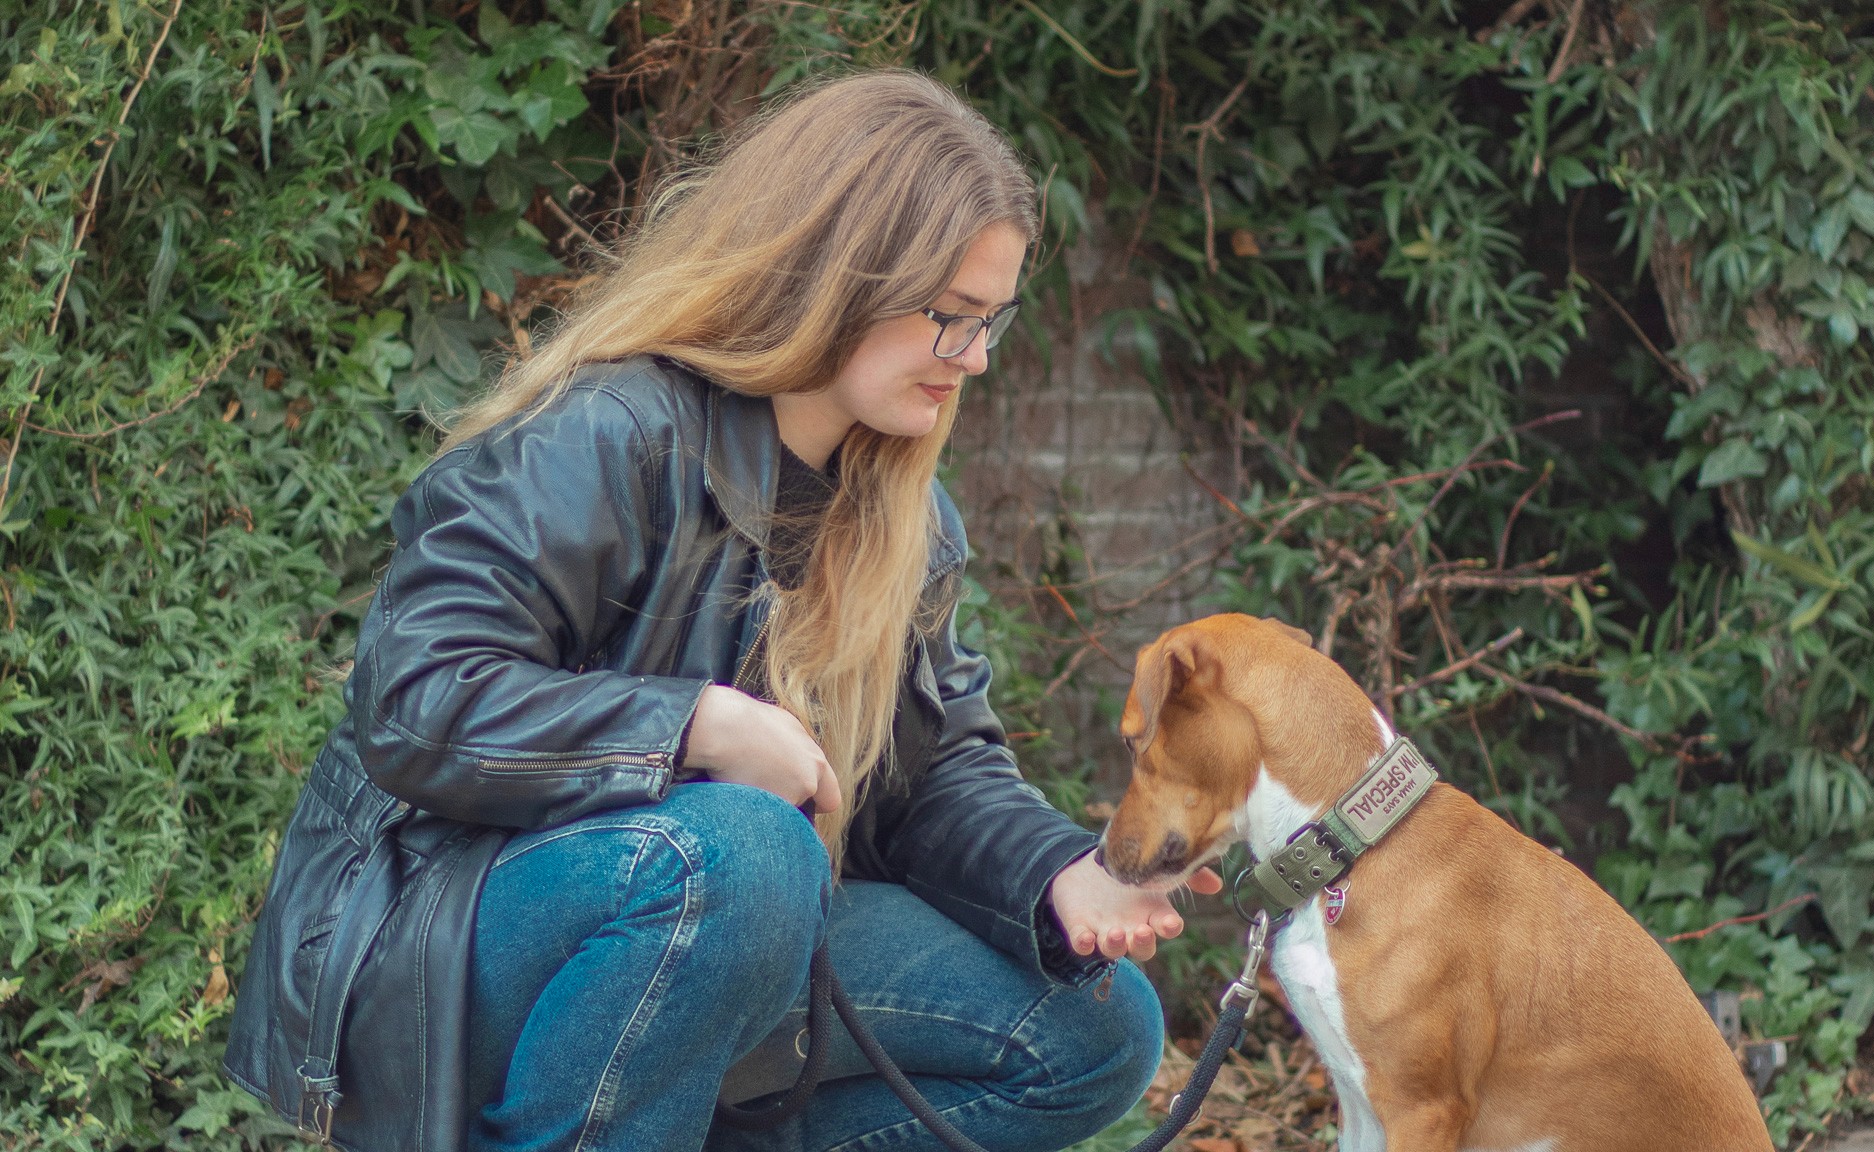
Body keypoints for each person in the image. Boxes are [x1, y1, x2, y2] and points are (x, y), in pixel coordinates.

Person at [225, 69, 1224, 1152]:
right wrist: (695, 726)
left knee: (1093, 1028)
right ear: (838, 275)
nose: (974, 359)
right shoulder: (609, 431)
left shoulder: (908, 519)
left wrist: (1060, 876)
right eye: (950, 317)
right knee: (744, 856)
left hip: (722, 914)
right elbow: (415, 700)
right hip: (452, 932)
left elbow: (934, 773)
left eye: (992, 320)